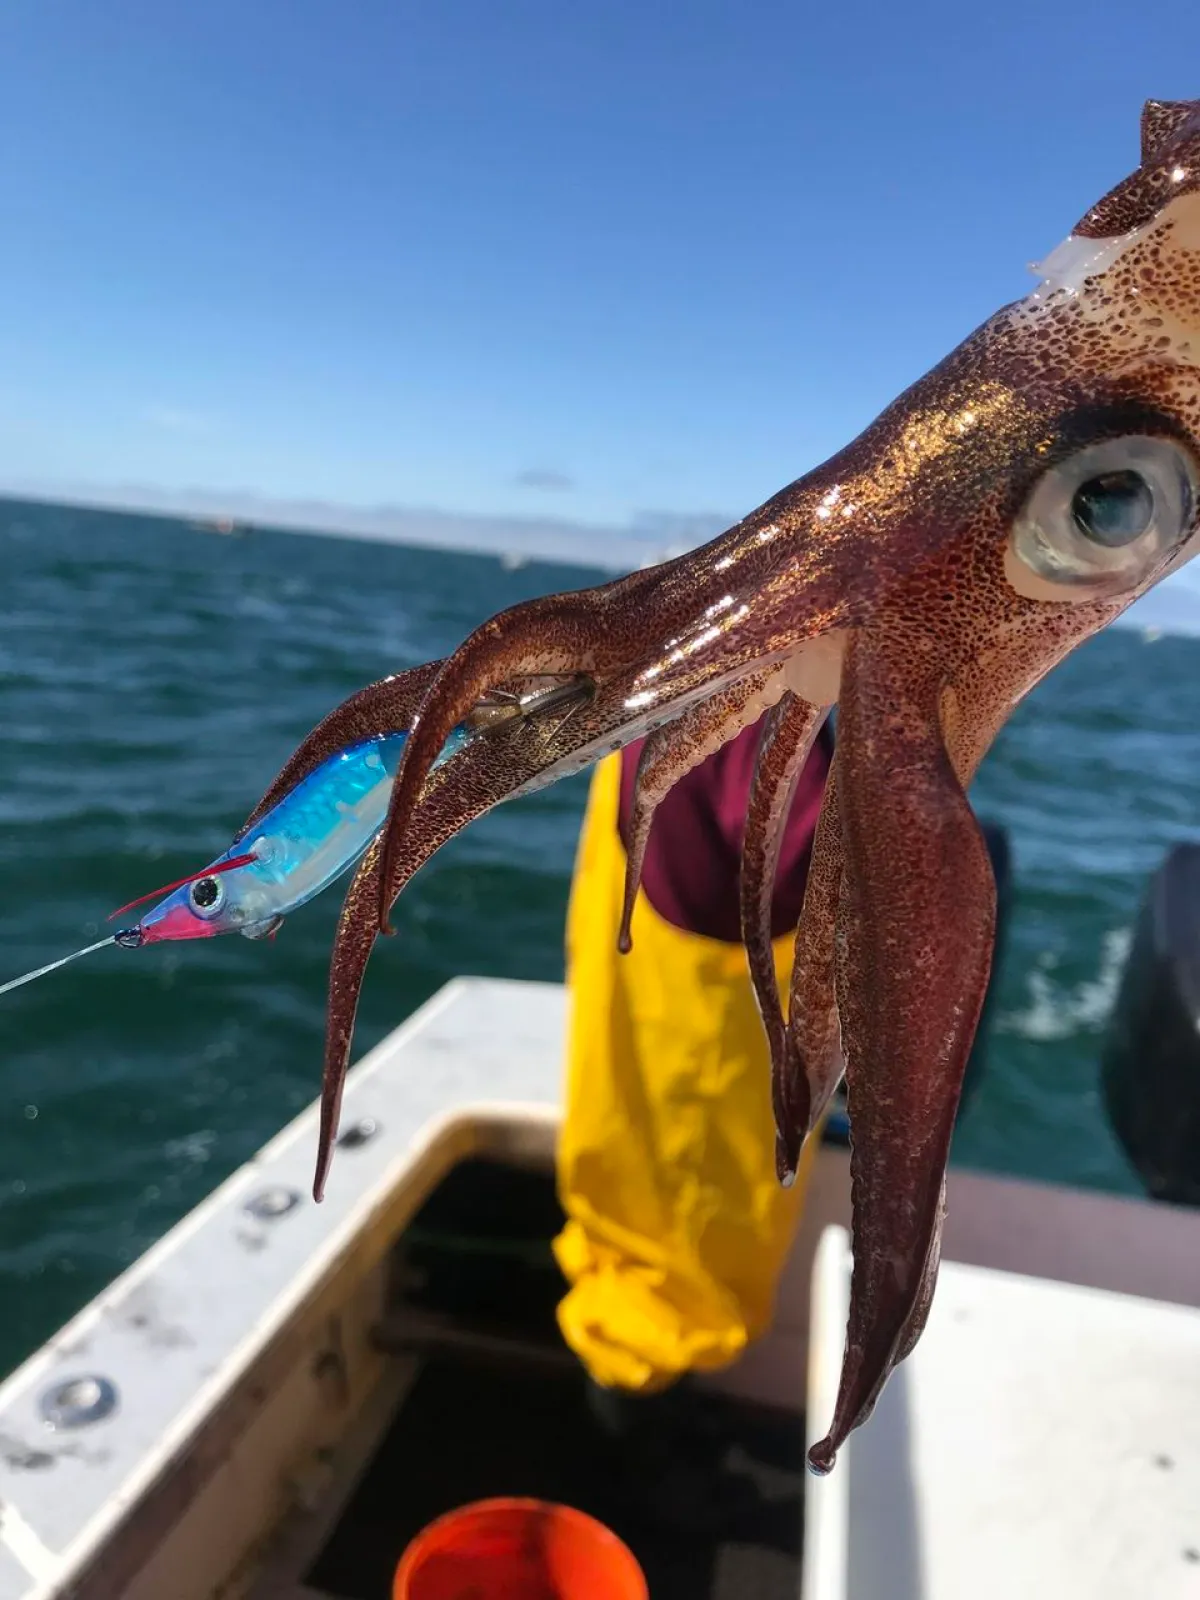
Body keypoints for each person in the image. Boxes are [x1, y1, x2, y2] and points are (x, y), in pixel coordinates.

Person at [551, 710, 833, 1527]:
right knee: (670, 1273)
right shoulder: (747, 724)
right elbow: (782, 858)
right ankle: (636, 1489)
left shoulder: (686, 687)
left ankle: (655, 1423)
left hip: (652, 1040)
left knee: (650, 1247)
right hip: (702, 1068)